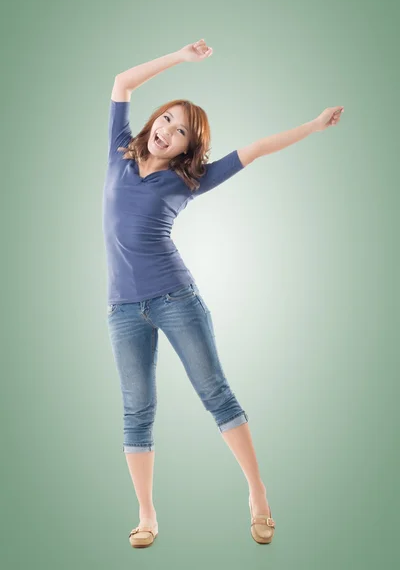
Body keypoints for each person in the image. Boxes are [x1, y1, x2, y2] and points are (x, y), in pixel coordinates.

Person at [103, 38, 344, 548]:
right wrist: (179, 58)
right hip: (122, 308)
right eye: (165, 119)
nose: (167, 130)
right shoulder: (119, 153)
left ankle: (258, 495)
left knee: (216, 394)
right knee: (136, 409)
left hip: (175, 299)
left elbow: (254, 150)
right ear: (153, 123)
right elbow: (122, 82)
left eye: (181, 131)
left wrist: (314, 125)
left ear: (190, 149)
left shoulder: (189, 181)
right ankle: (147, 515)